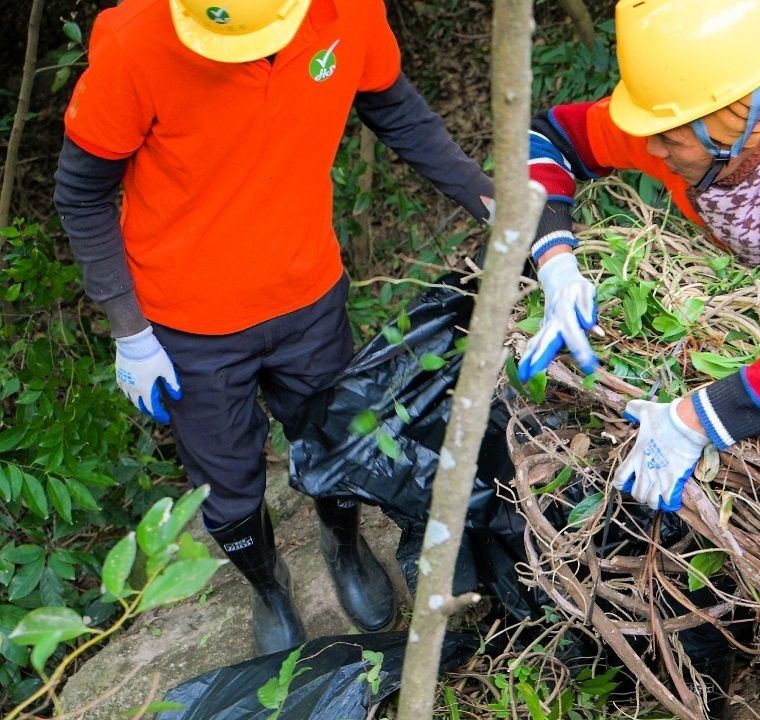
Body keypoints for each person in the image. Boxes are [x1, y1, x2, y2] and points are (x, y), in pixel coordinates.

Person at [53, 0, 493, 655]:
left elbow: (394, 108)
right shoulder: (137, 40)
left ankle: (343, 548)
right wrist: (130, 330)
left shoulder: (349, 13)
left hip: (306, 291)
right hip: (185, 323)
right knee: (228, 494)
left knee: (334, 445)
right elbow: (81, 193)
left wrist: (493, 200)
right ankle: (267, 586)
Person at [518, 0, 760, 512]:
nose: (653, 152)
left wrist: (693, 420)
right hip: (753, 302)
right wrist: (555, 260)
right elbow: (545, 139)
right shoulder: (686, 127)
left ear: (734, 121)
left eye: (668, 139)